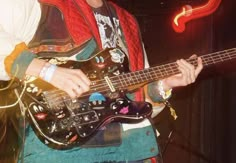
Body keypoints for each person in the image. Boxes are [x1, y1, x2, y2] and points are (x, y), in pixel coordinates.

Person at [0, 0, 203, 162]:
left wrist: (164, 85)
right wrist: (48, 70)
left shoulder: (128, 22)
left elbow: (136, 100)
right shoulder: (42, 4)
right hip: (62, 151)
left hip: (129, 151)